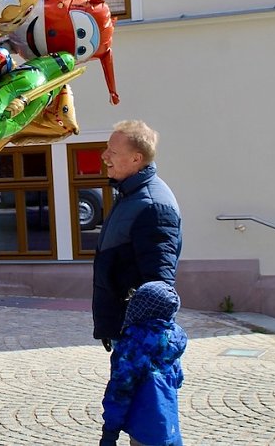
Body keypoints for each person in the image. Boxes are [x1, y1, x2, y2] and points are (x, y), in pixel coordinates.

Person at [93, 120, 182, 347]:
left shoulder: (152, 205)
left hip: (136, 336)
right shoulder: (131, 195)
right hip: (123, 328)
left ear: (136, 159)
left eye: (112, 152)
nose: (104, 156)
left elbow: (158, 287)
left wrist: (141, 344)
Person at [100, 281, 187, 446]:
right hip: (170, 427)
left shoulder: (132, 345)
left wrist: (110, 432)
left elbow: (120, 391)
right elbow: (178, 380)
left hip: (143, 431)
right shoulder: (171, 342)